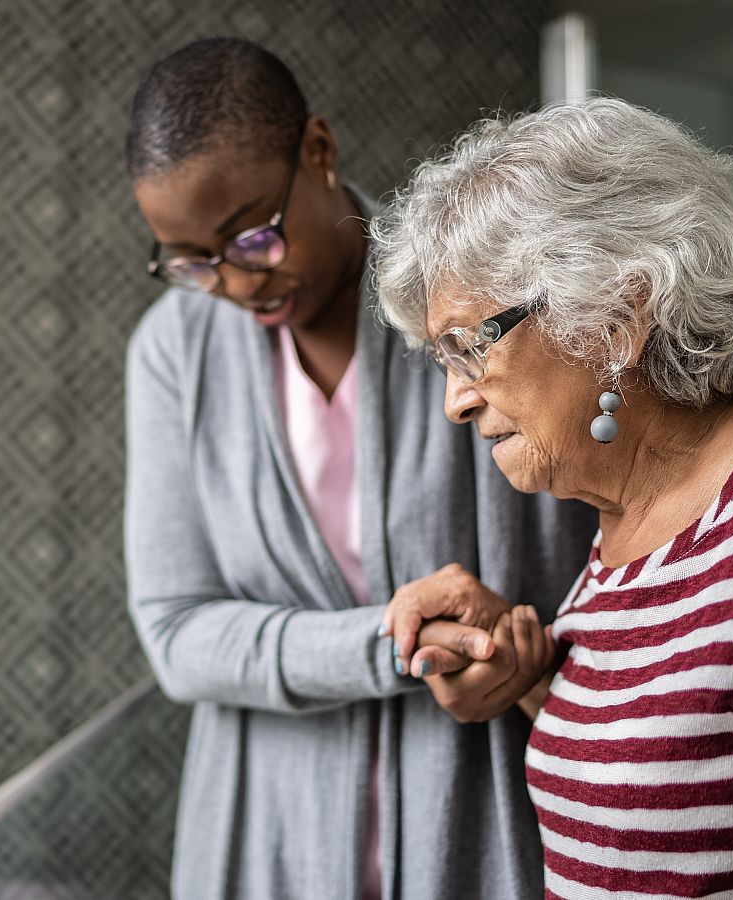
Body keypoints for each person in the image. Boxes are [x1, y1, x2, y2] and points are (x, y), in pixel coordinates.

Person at [373, 96, 733, 898]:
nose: (457, 401)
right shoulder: (623, 532)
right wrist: (527, 673)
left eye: (470, 347)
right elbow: (710, 782)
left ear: (615, 317)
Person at [122, 38, 595, 900]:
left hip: (489, 815)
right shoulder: (171, 353)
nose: (233, 284)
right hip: (263, 833)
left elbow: (598, 548)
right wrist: (393, 644)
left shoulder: (476, 299)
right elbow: (179, 633)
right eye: (191, 261)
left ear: (318, 150)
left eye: (252, 236)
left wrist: (518, 656)